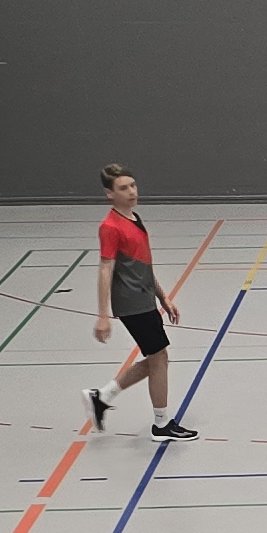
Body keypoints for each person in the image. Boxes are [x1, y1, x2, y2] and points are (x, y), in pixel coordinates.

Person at [85, 164, 200, 441]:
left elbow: (143, 266)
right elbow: (105, 269)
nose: (132, 192)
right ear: (109, 194)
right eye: (123, 188)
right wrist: (102, 316)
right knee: (159, 358)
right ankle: (161, 425)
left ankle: (102, 397)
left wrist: (163, 296)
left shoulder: (134, 218)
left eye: (133, 185)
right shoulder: (110, 227)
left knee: (156, 358)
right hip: (132, 302)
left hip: (145, 298)